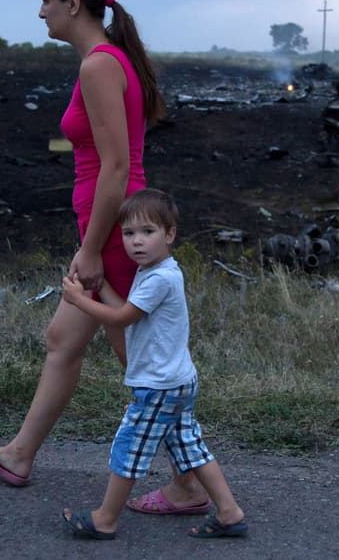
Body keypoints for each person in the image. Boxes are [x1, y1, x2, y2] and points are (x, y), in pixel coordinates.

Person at [0, 0, 208, 515]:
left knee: (144, 369)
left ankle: (191, 484)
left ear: (73, 4)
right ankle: (19, 454)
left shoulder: (99, 65)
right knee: (63, 339)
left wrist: (93, 248)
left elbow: (117, 168)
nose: (40, 9)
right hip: (103, 227)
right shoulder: (110, 59)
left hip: (112, 233)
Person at [59, 189, 248, 539]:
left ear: (170, 234)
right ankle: (229, 512)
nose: (136, 242)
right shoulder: (156, 271)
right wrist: (97, 288)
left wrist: (78, 300)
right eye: (129, 233)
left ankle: (105, 519)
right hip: (176, 380)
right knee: (189, 446)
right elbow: (127, 309)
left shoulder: (159, 278)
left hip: (159, 385)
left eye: (147, 232)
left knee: (129, 445)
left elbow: (123, 318)